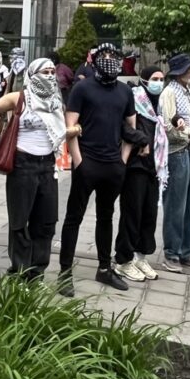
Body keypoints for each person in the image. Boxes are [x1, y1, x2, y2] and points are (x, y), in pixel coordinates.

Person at [58, 43, 146, 297]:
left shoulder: (124, 92)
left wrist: (123, 159)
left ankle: (104, 268)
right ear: (94, 60)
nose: (109, 60)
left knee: (106, 217)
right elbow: (70, 126)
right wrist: (78, 162)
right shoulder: (82, 88)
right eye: (103, 56)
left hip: (113, 165)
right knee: (74, 217)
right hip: (87, 162)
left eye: (114, 56)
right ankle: (65, 273)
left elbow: (131, 127)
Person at [0, 59, 78, 282]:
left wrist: (74, 130)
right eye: (44, 72)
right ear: (33, 74)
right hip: (22, 164)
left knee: (46, 221)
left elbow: (60, 131)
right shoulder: (19, 97)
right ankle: (19, 271)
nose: (50, 76)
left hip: (47, 165)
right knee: (20, 221)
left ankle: (36, 273)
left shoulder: (56, 102)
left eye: (52, 72)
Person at [113, 66, 167, 283]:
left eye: (162, 79)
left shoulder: (159, 103)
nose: (159, 82)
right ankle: (123, 260)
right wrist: (141, 139)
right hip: (135, 165)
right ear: (144, 80)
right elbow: (123, 126)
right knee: (132, 213)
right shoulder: (134, 99)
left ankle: (140, 256)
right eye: (154, 78)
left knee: (149, 215)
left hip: (154, 166)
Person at [159, 53, 190, 273]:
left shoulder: (187, 92)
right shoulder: (169, 93)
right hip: (177, 152)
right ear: (178, 72)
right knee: (176, 206)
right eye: (188, 69)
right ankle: (171, 253)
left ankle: (186, 252)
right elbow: (168, 125)